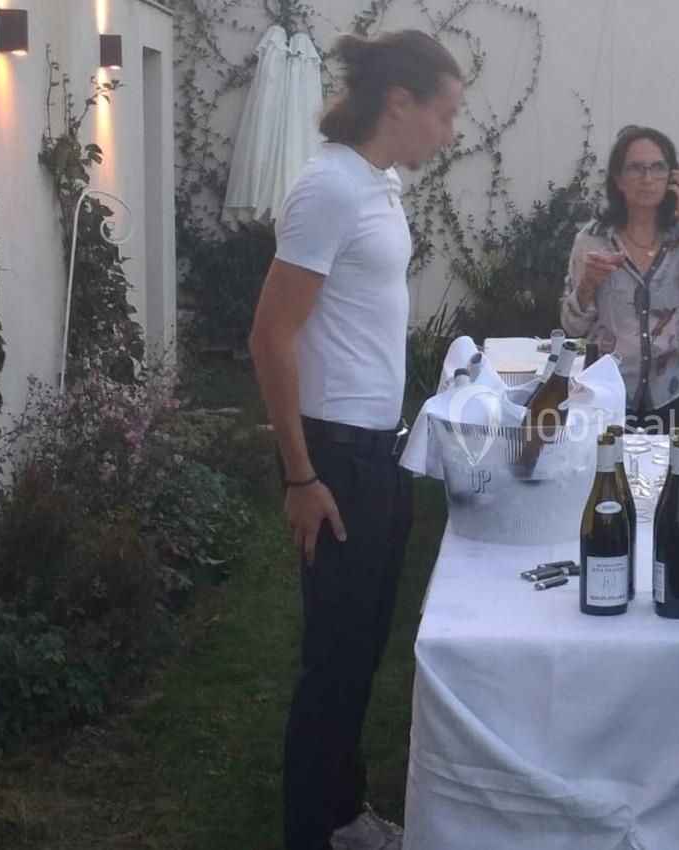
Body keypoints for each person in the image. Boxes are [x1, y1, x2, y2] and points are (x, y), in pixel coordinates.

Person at [247, 30, 462, 850]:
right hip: (334, 457)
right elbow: (270, 335)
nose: (448, 132)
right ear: (399, 102)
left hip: (379, 449)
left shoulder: (380, 184)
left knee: (363, 649)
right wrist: (301, 477)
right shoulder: (330, 187)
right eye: (443, 113)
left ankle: (342, 813)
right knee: (334, 659)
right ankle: (312, 830)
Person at [559, 125, 679, 434]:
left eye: (658, 168)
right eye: (635, 168)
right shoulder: (592, 240)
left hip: (676, 391)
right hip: (609, 390)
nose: (647, 178)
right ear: (618, 179)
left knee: (677, 466)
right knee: (611, 465)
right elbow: (573, 326)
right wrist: (588, 283)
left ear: (673, 177)